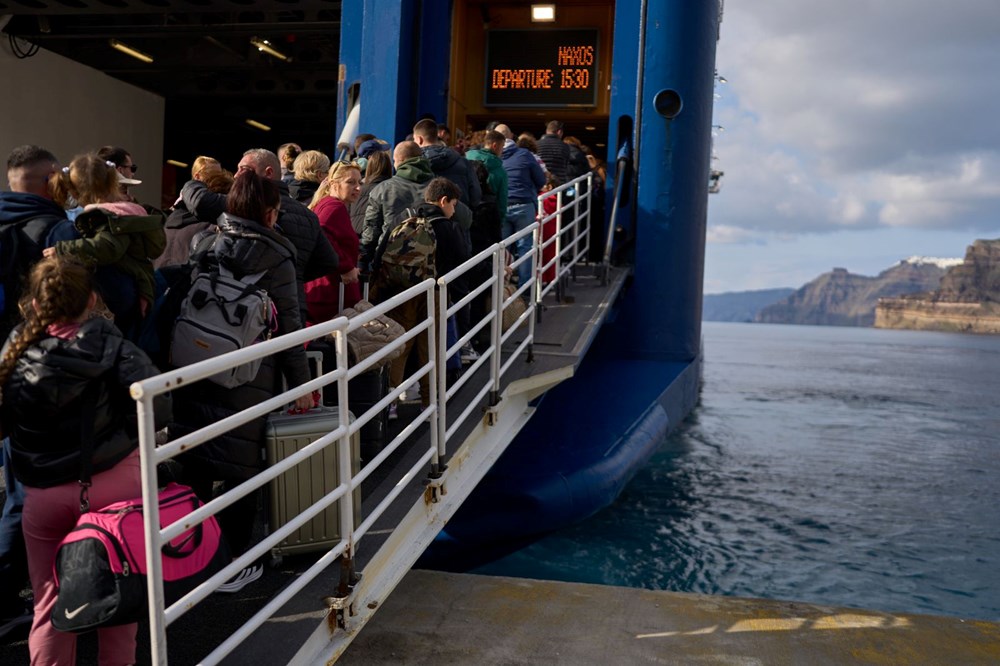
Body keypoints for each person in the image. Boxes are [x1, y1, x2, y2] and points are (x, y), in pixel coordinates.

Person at [0, 255, 170, 665]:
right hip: (114, 488)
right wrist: (119, 437)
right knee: (120, 603)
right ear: (92, 299)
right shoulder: (113, 345)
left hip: (43, 495)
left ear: (36, 304)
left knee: (49, 603)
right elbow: (159, 409)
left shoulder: (16, 350)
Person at [170, 170, 313, 593]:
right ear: (270, 213)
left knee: (192, 460)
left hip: (193, 365)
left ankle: (188, 553)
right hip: (248, 376)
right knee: (241, 471)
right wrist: (303, 387)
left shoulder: (205, 242)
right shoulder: (278, 257)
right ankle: (232, 563)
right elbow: (291, 329)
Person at [0, 144, 67, 643]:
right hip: (33, 376)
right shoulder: (52, 231)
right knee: (27, 494)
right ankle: (9, 596)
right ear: (50, 181)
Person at [184, 148, 340, 325]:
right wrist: (294, 274)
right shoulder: (309, 216)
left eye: (244, 170)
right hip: (290, 310)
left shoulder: (242, 205)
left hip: (241, 310)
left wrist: (193, 183)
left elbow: (200, 202)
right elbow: (329, 262)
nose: (236, 176)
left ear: (268, 173)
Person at [45, 153, 167, 341]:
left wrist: (63, 249)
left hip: (125, 296)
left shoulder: (111, 216)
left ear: (74, 192)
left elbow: (108, 248)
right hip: (135, 286)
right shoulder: (122, 211)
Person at [378, 178, 467, 408]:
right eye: (453, 204)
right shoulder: (448, 227)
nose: (453, 210)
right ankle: (431, 404)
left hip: (402, 292)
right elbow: (459, 262)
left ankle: (389, 403)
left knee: (400, 347)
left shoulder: (404, 216)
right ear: (443, 200)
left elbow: (383, 247)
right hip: (435, 294)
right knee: (432, 350)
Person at [360, 141, 434, 274]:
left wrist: (364, 258)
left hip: (389, 259)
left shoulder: (383, 188)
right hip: (430, 261)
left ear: (400, 160)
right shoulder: (437, 187)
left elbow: (371, 230)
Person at [305, 160, 362, 323]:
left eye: (359, 182)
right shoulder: (333, 207)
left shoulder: (329, 204)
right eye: (350, 182)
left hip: (327, 291)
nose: (357, 187)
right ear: (333, 184)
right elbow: (321, 234)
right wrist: (346, 267)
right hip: (330, 293)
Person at [496, 124, 546, 293]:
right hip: (524, 206)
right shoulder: (525, 154)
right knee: (525, 248)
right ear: (512, 136)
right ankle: (525, 292)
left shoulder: (493, 156)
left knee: (501, 249)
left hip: (502, 207)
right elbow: (541, 180)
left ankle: (501, 289)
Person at [157, 158, 233, 269]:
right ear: (197, 177)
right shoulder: (211, 229)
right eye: (214, 175)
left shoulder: (167, 222)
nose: (219, 177)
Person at [465, 130, 508, 222]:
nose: (503, 150)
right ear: (495, 145)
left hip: (465, 215)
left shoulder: (465, 160)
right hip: (487, 218)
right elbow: (502, 201)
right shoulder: (500, 171)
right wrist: (500, 222)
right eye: (502, 146)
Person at [350, 148, 392, 236]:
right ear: (389, 167)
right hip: (375, 239)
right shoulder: (391, 190)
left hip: (355, 235)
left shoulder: (357, 189)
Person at [536, 120, 571, 184]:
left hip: (540, 182)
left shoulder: (537, 144)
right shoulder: (565, 146)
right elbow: (566, 165)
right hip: (558, 184)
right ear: (559, 132)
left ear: (546, 131)